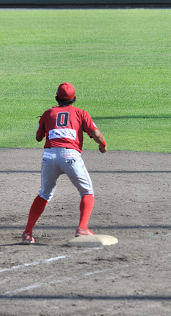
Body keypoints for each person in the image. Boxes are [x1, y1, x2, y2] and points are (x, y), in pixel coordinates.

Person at [21, 82, 108, 244]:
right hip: (70, 156)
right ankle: (82, 227)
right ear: (74, 99)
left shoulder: (48, 113)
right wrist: (102, 145)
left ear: (56, 97)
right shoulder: (80, 113)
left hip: (49, 157)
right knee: (86, 191)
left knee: (44, 194)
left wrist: (47, 121)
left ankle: (27, 233)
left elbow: (38, 138)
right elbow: (96, 134)